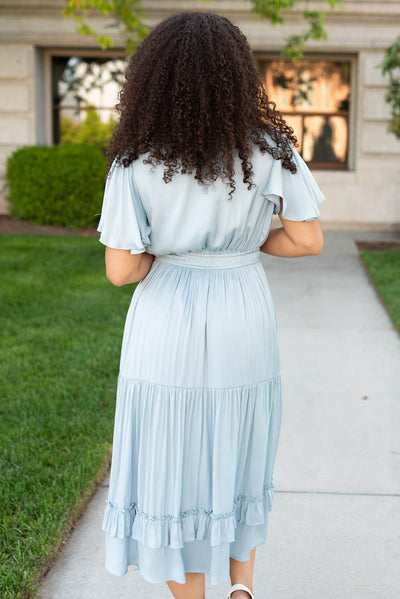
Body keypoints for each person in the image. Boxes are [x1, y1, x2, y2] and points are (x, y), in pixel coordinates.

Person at [97, 11, 325, 599]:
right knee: (239, 441)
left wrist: (166, 253)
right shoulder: (271, 147)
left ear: (153, 78)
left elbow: (122, 270)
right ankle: (242, 587)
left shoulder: (135, 160)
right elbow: (305, 239)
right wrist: (245, 242)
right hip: (242, 311)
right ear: (236, 74)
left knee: (172, 459)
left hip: (167, 314)